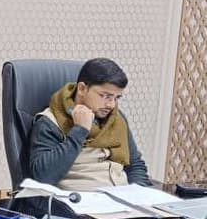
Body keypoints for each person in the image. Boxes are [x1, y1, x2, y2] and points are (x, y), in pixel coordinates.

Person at [29, 58, 151, 191]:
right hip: (79, 198)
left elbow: (135, 165)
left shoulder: (116, 119)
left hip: (121, 196)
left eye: (116, 98)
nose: (111, 105)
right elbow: (43, 177)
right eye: (105, 96)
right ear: (82, 89)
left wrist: (139, 195)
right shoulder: (50, 122)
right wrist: (79, 130)